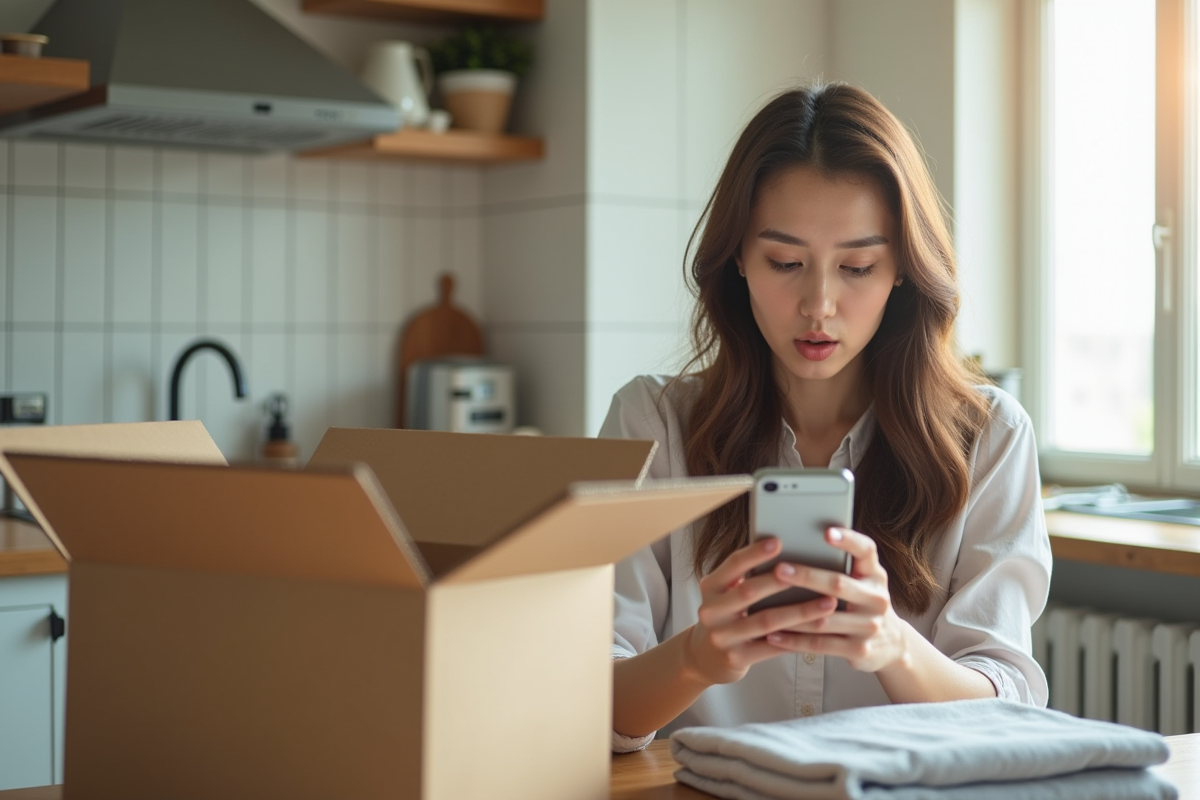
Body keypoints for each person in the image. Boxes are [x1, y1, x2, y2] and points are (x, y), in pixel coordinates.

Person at [601, 82, 1051, 753]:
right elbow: (591, 704)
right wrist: (696, 657)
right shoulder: (652, 423)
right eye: (784, 262)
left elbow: (1007, 709)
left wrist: (892, 644)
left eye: (858, 266)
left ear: (903, 268)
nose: (819, 304)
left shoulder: (990, 437)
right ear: (738, 264)